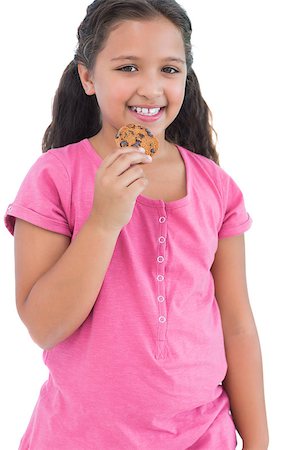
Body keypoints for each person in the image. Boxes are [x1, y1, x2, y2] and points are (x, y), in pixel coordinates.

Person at [4, 0, 269, 448]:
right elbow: (43, 326)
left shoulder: (216, 186)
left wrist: (259, 441)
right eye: (128, 68)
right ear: (88, 77)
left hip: (203, 436)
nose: (151, 88)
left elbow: (238, 326)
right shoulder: (56, 176)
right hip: (79, 438)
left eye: (169, 69)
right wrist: (104, 221)